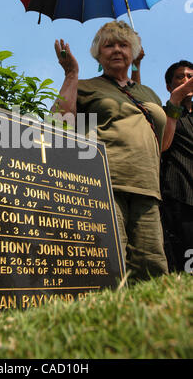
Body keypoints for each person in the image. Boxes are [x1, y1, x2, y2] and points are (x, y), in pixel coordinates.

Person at [52, 20, 171, 281]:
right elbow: (59, 125)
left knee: (151, 265)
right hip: (104, 183)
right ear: (98, 53)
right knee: (108, 261)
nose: (117, 50)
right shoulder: (85, 86)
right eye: (109, 45)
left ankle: (148, 321)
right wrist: (71, 74)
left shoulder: (147, 93)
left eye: (123, 44)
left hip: (147, 187)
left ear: (134, 52)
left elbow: (163, 143)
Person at [160, 60, 193, 272]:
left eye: (190, 76)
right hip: (180, 197)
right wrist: (136, 67)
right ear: (169, 86)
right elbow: (162, 144)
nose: (187, 81)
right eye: (180, 77)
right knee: (186, 262)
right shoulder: (165, 114)